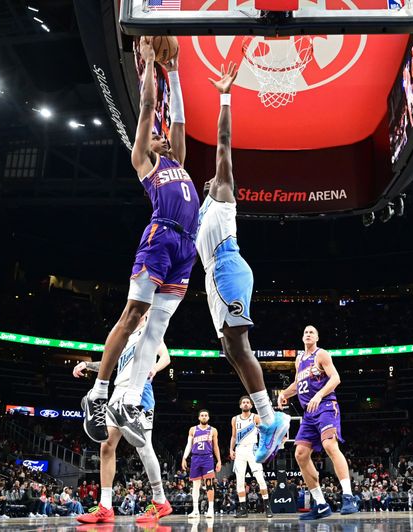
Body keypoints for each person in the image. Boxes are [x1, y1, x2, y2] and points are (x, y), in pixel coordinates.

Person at [82, 36, 199, 448]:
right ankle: (97, 393)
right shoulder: (144, 163)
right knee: (134, 314)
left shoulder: (178, 162)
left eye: (164, 136)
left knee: (158, 326)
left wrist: (179, 71)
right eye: (156, 135)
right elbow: (149, 108)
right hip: (161, 236)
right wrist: (149, 64)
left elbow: (180, 121)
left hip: (187, 247)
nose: (163, 135)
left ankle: (129, 397)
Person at [195, 62, 290, 464]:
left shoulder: (223, 194)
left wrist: (224, 96)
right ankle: (270, 417)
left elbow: (223, 141)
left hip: (229, 268)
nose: (210, 180)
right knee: (228, 349)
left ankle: (270, 420)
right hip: (213, 277)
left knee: (239, 343)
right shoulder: (200, 213)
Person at [74, 313, 172, 525]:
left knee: (144, 448)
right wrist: (87, 366)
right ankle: (105, 506)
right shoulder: (126, 337)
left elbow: (166, 356)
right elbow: (110, 362)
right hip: (118, 391)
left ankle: (160, 500)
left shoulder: (151, 332)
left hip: (139, 392)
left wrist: (154, 367)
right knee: (106, 445)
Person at [277, 326, 359, 520]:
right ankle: (321, 504)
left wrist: (319, 395)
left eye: (312, 332)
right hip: (308, 414)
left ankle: (348, 496)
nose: (308, 334)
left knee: (330, 445)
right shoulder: (299, 360)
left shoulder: (321, 354)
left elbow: (336, 378)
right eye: (305, 332)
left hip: (326, 406)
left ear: (317, 337)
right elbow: (298, 385)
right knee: (300, 454)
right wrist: (283, 394)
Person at [229, 396, 272, 517]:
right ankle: (243, 509)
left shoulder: (256, 417)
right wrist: (231, 449)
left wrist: (264, 449)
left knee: (260, 478)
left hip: (252, 449)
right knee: (239, 480)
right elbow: (233, 436)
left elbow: (264, 432)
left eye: (248, 402)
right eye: (244, 402)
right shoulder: (235, 419)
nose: (246, 404)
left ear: (251, 405)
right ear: (240, 405)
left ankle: (267, 507)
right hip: (240, 449)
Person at [182, 410, 221, 518]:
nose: (204, 417)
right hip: (195, 458)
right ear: (199, 417)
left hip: (207, 458)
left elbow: (216, 446)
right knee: (195, 486)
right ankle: (195, 510)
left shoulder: (213, 430)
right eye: (202, 415)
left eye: (206, 415)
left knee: (209, 484)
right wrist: (184, 458)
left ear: (208, 417)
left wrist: (219, 460)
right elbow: (188, 445)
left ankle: (210, 510)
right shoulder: (193, 429)